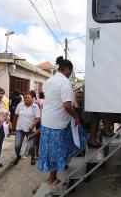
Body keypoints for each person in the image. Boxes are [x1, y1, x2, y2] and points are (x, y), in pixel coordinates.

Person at [38, 56, 80, 186]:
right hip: (58, 123)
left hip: (47, 121)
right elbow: (67, 106)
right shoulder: (64, 82)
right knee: (57, 151)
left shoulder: (49, 80)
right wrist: (76, 116)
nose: (70, 74)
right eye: (70, 71)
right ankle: (52, 179)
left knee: (50, 150)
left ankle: (55, 174)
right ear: (66, 69)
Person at [12, 91, 41, 165]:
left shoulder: (35, 106)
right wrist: (13, 127)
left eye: (28, 98)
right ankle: (18, 156)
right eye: (25, 98)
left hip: (30, 130)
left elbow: (38, 118)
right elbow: (15, 115)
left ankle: (32, 158)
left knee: (31, 146)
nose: (26, 99)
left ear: (32, 99)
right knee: (17, 146)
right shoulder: (20, 105)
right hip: (20, 128)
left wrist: (32, 126)